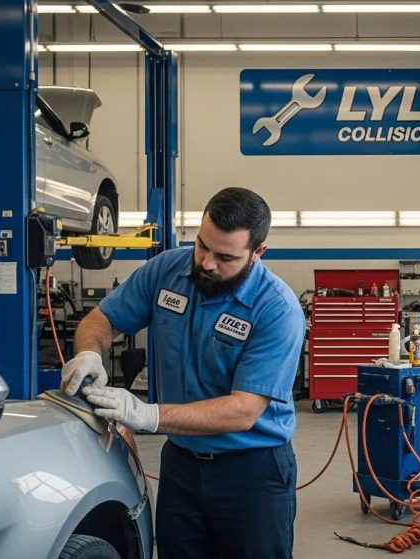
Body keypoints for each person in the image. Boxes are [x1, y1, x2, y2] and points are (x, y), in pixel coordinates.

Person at [60, 187, 305, 559]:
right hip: (182, 464)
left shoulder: (276, 309)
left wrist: (148, 414)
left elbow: (243, 410)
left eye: (225, 257)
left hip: (253, 471)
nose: (207, 263)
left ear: (258, 253)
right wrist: (90, 354)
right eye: (202, 245)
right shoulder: (167, 270)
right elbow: (104, 319)